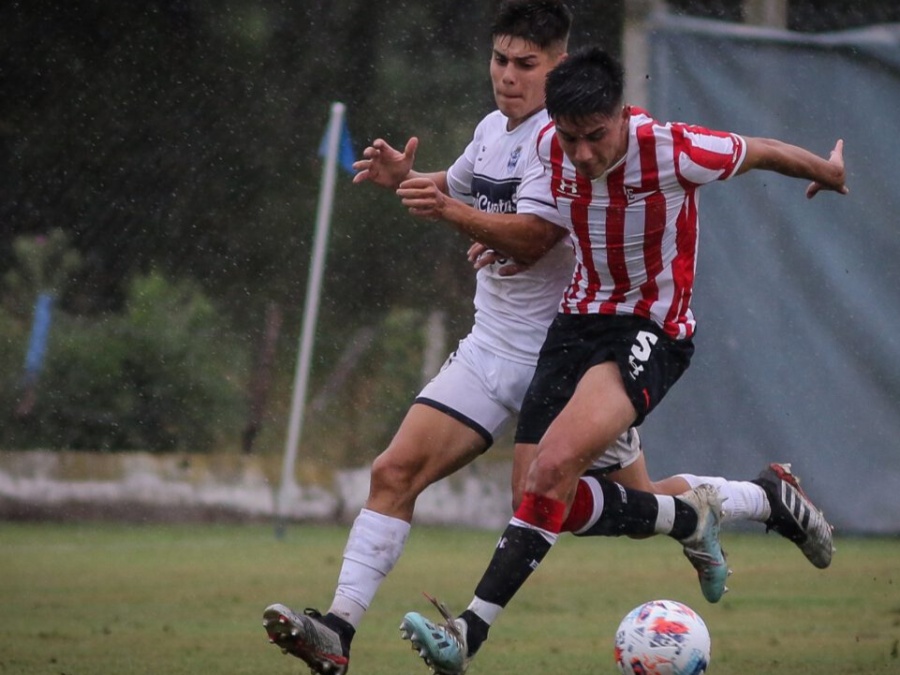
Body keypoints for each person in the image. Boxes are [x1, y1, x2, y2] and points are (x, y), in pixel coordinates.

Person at [262, 3, 833, 673]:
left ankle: (740, 505)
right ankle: (336, 630)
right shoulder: (503, 131)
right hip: (498, 345)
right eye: (499, 59)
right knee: (397, 472)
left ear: (558, 66)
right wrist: (410, 181)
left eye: (525, 64)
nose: (507, 75)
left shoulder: (574, 139)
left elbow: (533, 237)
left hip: (580, 348)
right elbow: (470, 192)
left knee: (574, 498)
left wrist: (463, 218)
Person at [398, 45, 847, 675]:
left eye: (595, 136)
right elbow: (542, 220)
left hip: (650, 328)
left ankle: (467, 633)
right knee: (540, 497)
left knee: (554, 471)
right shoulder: (549, 148)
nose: (583, 153)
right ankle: (741, 503)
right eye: (571, 138)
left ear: (621, 114)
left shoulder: (673, 148)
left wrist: (827, 172)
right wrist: (507, 247)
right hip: (576, 323)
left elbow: (762, 149)